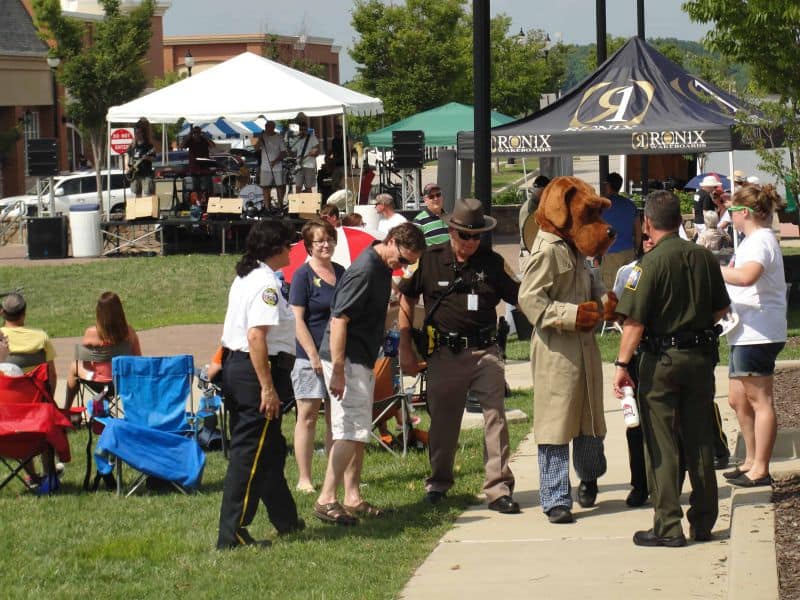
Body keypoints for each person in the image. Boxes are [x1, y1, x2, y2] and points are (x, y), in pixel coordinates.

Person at [614, 190, 730, 547]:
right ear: (681, 221)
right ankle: (704, 521)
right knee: (699, 440)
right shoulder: (704, 257)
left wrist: (621, 365)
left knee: (661, 443)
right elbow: (720, 310)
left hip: (660, 362)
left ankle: (667, 525)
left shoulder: (644, 267)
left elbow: (633, 322)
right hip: (699, 359)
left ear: (647, 224)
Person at [398, 198, 521, 514]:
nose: (471, 242)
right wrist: (405, 346)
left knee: (495, 416)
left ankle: (498, 488)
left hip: (485, 353)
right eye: (465, 235)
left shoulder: (492, 263)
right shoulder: (429, 260)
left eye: (476, 236)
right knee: (443, 422)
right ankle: (439, 484)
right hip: (445, 355)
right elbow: (406, 299)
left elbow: (521, 296)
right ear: (451, 231)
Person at [313, 222, 425, 525]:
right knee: (349, 430)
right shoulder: (365, 270)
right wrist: (337, 370)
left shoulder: (382, 263)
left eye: (409, 264)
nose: (402, 267)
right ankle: (326, 498)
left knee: (359, 431)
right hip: (345, 359)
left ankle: (352, 497)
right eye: (402, 260)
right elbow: (338, 320)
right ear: (391, 241)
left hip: (361, 358)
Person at [216, 220, 304, 549]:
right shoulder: (265, 283)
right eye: (287, 243)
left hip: (242, 369)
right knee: (249, 455)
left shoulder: (248, 276)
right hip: (257, 373)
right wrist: (267, 387)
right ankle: (233, 532)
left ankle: (286, 520)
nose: (291, 248)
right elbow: (256, 336)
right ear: (274, 248)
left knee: (270, 451)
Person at [719, 184, 787, 488]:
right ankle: (749, 460)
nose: (729, 216)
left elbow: (747, 276)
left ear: (744, 212)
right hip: (743, 329)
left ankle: (761, 468)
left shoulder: (761, 240)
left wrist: (714, 268)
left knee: (760, 400)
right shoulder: (751, 240)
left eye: (732, 211)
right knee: (737, 399)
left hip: (758, 331)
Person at [289, 219, 346, 493]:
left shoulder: (342, 272)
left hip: (336, 358)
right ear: (309, 246)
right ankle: (304, 478)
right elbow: (297, 320)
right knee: (308, 416)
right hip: (308, 358)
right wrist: (312, 355)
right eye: (319, 241)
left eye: (329, 239)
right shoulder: (302, 276)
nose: (326, 245)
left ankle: (333, 476)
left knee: (335, 418)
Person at [1, 292, 59, 491]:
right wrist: (48, 399)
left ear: (2, 313)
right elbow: (52, 375)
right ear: (24, 314)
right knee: (43, 410)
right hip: (36, 409)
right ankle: (50, 474)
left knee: (21, 410)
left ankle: (32, 475)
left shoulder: (1, 340)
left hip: (6, 411)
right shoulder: (40, 338)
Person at [64, 291, 142, 410]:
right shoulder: (129, 333)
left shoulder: (91, 333)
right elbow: (138, 361)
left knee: (74, 366)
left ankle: (66, 409)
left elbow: (85, 363)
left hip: (96, 381)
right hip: (120, 383)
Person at [600, 172, 642, 290]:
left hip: (610, 255)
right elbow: (638, 232)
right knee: (629, 290)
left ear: (608, 185)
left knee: (610, 292)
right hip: (629, 253)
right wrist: (636, 250)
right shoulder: (630, 205)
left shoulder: (602, 206)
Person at [256, 120, 287, 211]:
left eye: (268, 127)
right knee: (265, 187)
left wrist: (275, 161)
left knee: (279, 186)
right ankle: (267, 207)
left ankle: (280, 206)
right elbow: (256, 148)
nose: (266, 129)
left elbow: (284, 152)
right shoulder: (263, 137)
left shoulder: (278, 137)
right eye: (265, 127)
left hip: (277, 167)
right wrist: (260, 138)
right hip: (265, 167)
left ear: (273, 127)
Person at [181, 126, 216, 206]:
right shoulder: (190, 141)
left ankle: (208, 204)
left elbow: (213, 146)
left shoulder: (204, 140)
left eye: (198, 132)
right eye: (194, 133)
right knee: (196, 189)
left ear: (200, 133)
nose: (196, 134)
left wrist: (206, 137)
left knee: (207, 188)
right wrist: (189, 135)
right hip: (194, 169)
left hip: (205, 169)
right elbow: (182, 146)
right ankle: (198, 204)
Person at [517, 175, 550, 256]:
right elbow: (530, 234)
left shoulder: (538, 205)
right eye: (547, 192)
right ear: (542, 190)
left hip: (535, 250)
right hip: (529, 252)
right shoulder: (529, 209)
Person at [125, 119, 155, 198]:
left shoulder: (149, 146)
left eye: (139, 133)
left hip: (146, 174)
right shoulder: (132, 145)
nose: (137, 135)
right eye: (136, 133)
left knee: (147, 194)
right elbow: (127, 155)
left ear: (142, 134)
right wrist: (126, 166)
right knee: (136, 193)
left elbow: (153, 158)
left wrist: (147, 157)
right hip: (135, 174)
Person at [288, 122, 320, 193]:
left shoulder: (312, 137)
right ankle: (298, 203)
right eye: (301, 129)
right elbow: (292, 152)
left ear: (307, 130)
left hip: (309, 165)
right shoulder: (297, 139)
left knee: (308, 187)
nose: (303, 131)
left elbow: (317, 151)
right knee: (298, 187)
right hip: (299, 166)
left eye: (304, 129)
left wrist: (313, 153)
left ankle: (309, 203)